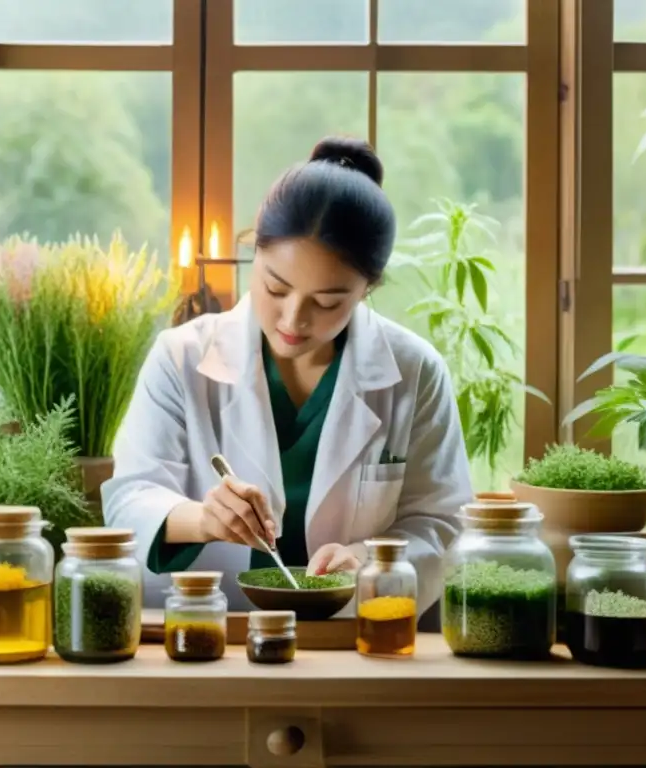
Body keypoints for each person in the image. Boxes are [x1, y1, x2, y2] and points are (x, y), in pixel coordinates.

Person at [103, 136, 473, 615]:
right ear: (253, 247)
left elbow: (442, 523)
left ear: (367, 289)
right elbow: (130, 499)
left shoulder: (414, 371)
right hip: (213, 634)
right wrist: (204, 519)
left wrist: (367, 559)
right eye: (275, 287)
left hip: (354, 638)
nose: (293, 320)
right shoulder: (181, 357)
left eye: (327, 303)